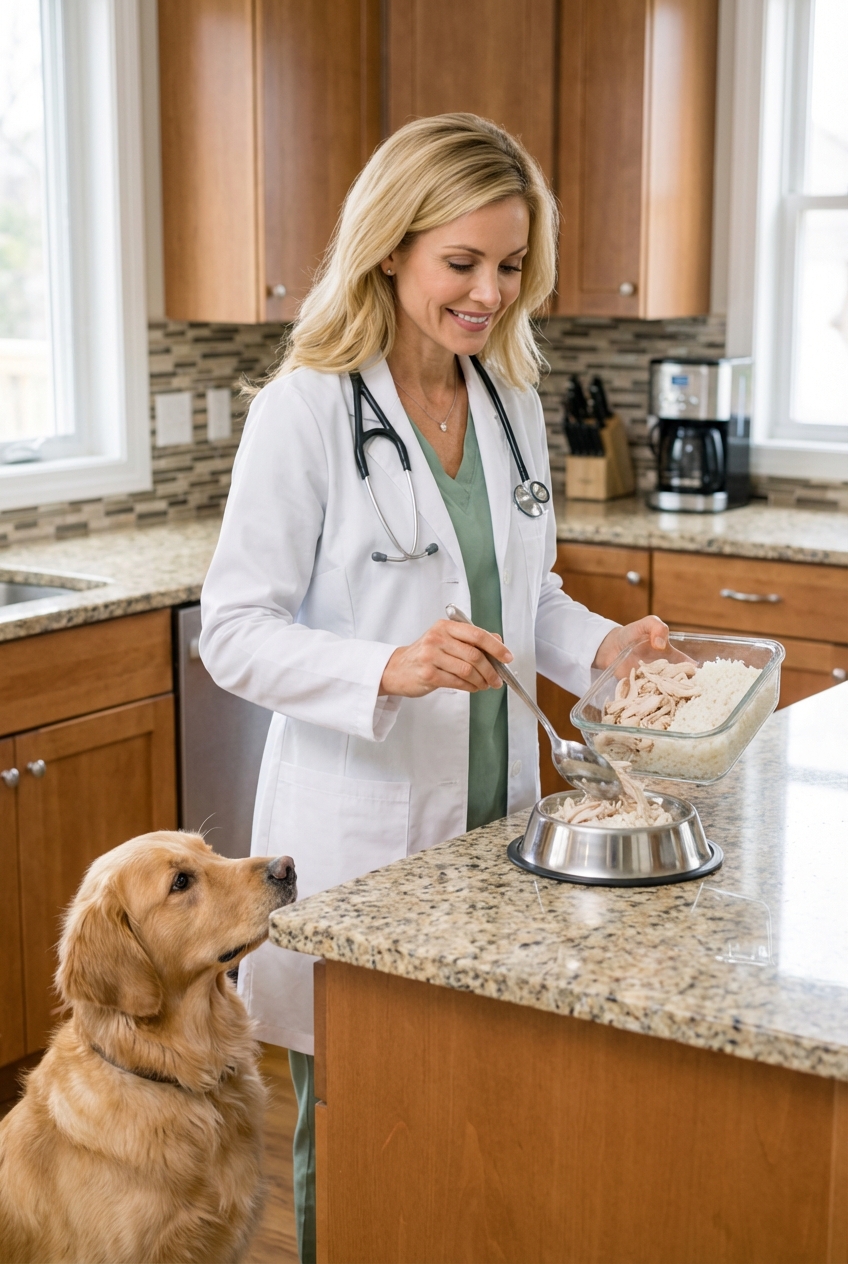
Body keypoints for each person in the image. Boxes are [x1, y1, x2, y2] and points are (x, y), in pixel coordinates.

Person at [199, 113, 668, 1263]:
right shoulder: (304, 411)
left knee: (485, 1120)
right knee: (359, 1126)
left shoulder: (507, 398)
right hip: (364, 838)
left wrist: (607, 647)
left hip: (494, 829)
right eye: (461, 263)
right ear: (390, 246)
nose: (490, 293)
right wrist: (387, 667)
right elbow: (234, 634)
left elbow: (528, 595)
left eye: (510, 266)